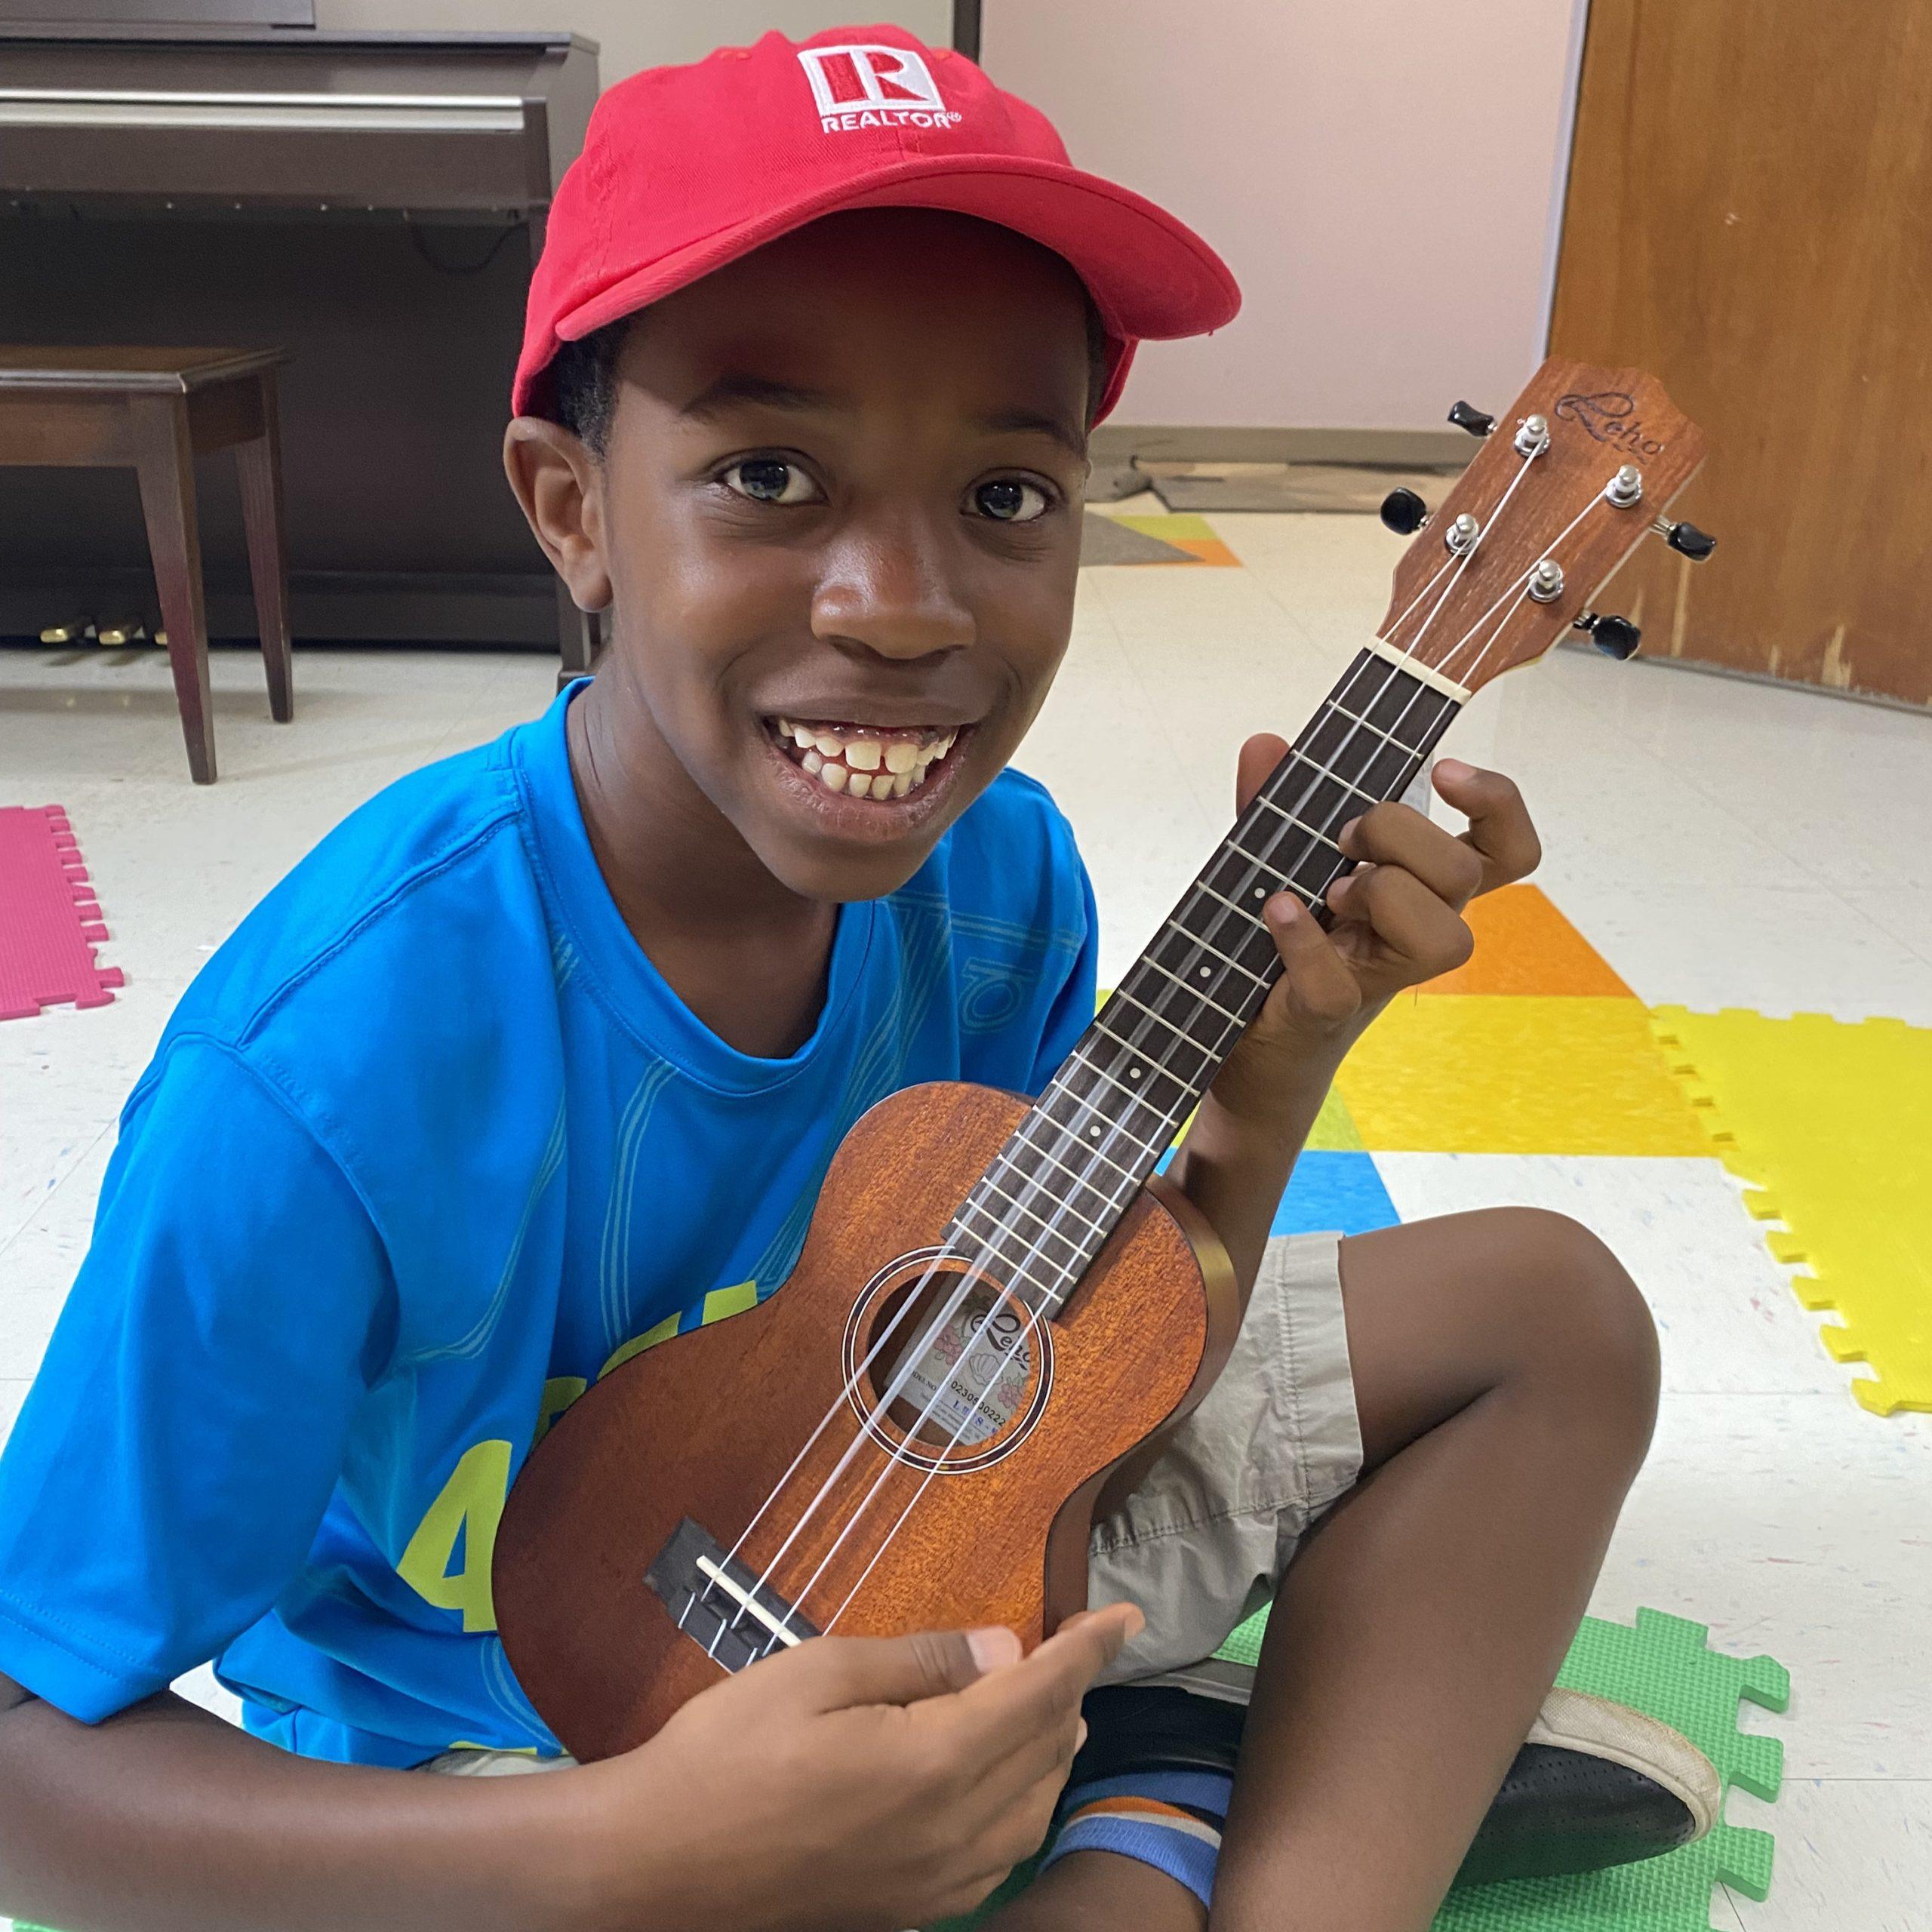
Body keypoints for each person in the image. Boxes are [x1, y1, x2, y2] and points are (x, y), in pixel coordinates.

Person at [0, 28, 1717, 1932]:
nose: (900, 606)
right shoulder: (318, 1076)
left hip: (926, 1539)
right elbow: (21, 1753)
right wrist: (631, 1849)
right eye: (767, 473)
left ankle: (1203, 1824)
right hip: (512, 1744)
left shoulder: (1001, 874)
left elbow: (1067, 1373)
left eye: (1005, 495)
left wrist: (1279, 1063)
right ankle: (1168, 1780)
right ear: (570, 508)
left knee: (1553, 1311)